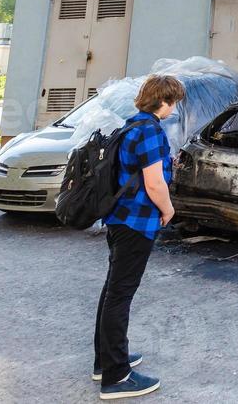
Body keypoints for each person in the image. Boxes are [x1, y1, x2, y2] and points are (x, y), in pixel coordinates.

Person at [94, 75, 185, 399]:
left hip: (119, 219)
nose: (175, 107)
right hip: (137, 222)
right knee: (120, 295)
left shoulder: (132, 124)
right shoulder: (149, 131)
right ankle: (116, 377)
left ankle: (105, 361)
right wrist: (169, 208)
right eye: (173, 101)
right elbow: (154, 183)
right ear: (163, 101)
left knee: (112, 291)